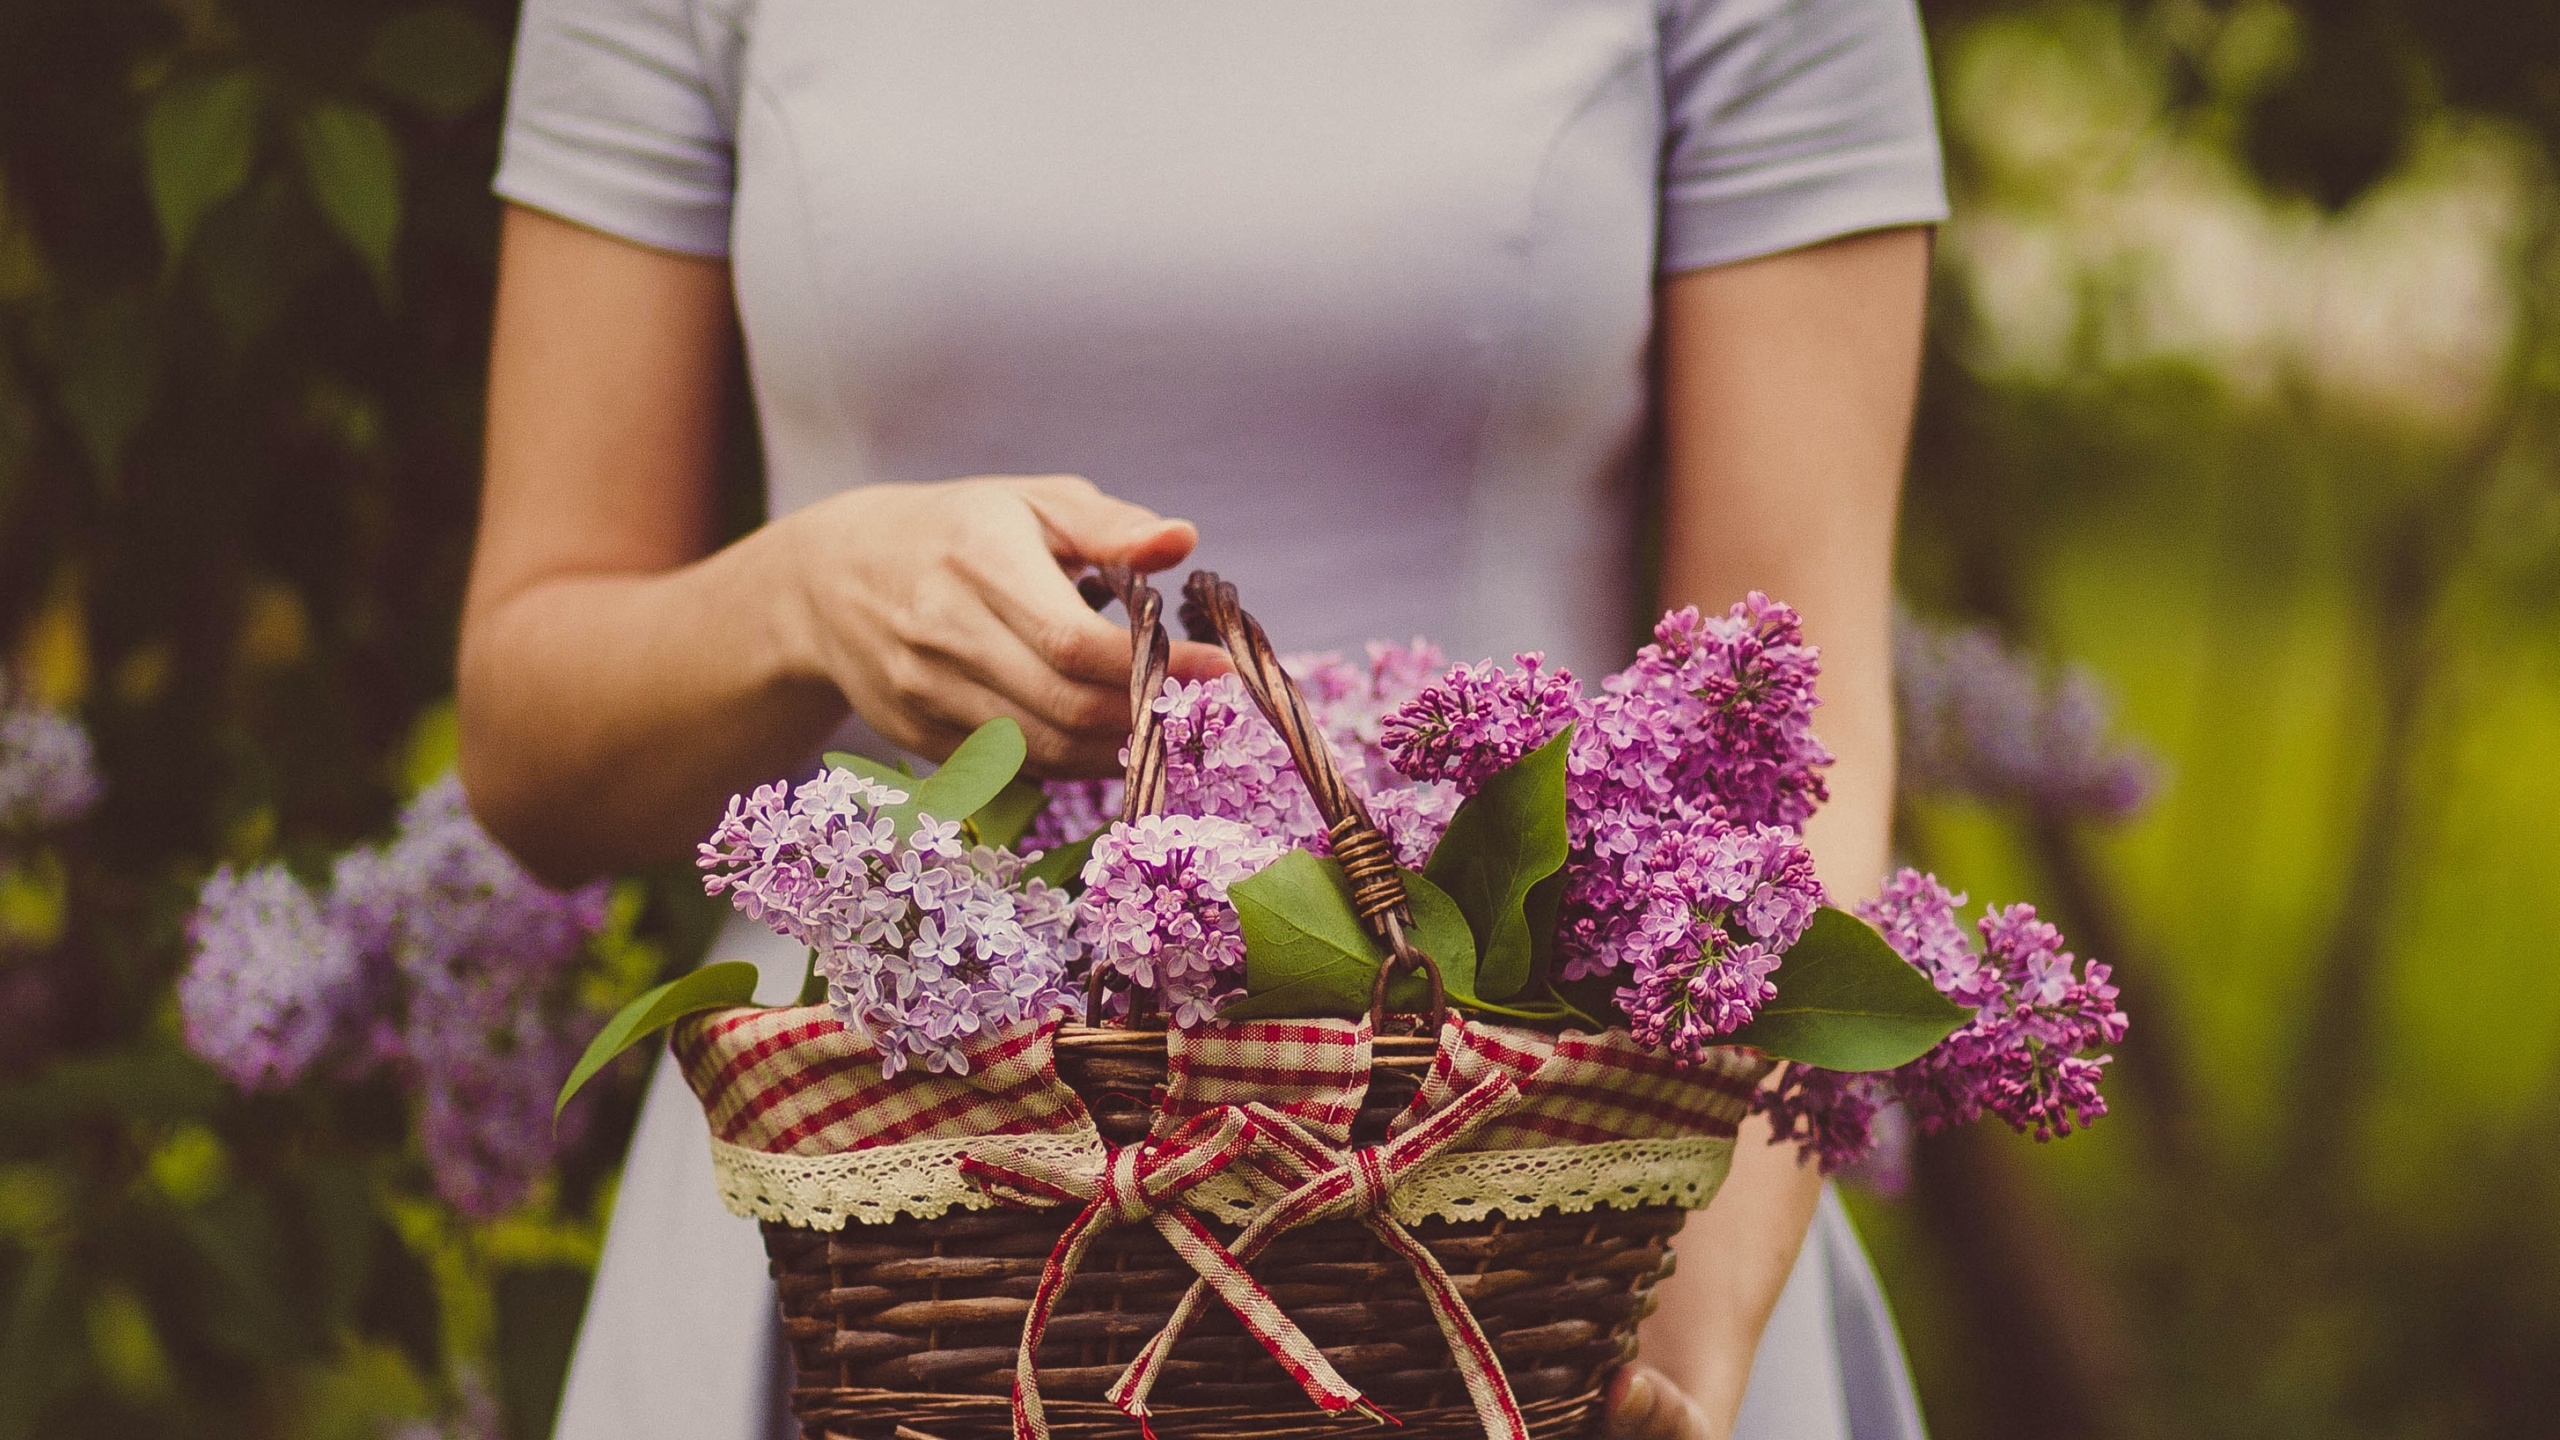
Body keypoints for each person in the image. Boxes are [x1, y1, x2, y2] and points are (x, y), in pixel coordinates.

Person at [458, 2, 1945, 1437]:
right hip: (894, 1226)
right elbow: (532, 745)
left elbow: (1793, 730)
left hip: (1545, 1209)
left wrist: (1661, 1345)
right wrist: (804, 597)